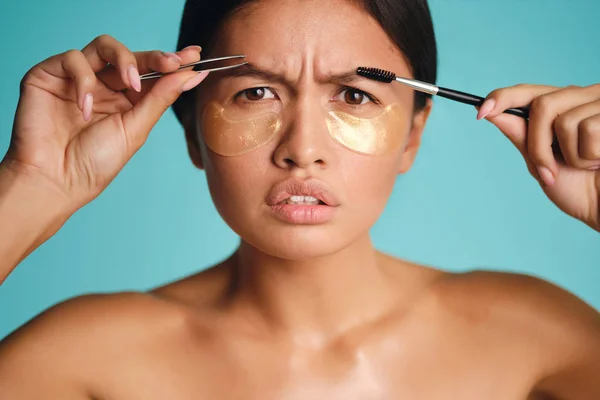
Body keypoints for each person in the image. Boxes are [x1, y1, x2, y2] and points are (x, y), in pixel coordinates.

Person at [0, 0, 599, 398]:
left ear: (414, 133)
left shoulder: (534, 337)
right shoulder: (87, 360)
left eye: (356, 96)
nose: (302, 149)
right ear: (190, 130)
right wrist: (32, 187)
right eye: (256, 92)